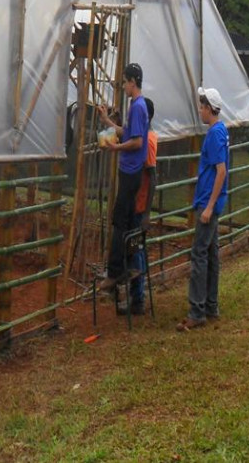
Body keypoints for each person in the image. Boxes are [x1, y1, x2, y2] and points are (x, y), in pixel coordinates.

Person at [177, 88, 229, 332]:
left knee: (199, 254)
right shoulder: (219, 131)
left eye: (201, 106)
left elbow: (221, 172)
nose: (199, 110)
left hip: (209, 202)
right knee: (210, 253)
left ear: (210, 108)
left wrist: (208, 207)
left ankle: (197, 311)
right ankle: (211, 305)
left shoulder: (216, 134)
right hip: (211, 201)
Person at [97, 63, 149, 293]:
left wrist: (115, 149)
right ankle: (128, 266)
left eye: (125, 81)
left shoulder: (137, 107)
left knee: (119, 221)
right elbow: (127, 133)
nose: (123, 86)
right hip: (132, 172)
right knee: (127, 221)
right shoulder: (136, 106)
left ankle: (114, 272)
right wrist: (108, 122)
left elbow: (137, 142)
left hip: (130, 172)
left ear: (133, 82)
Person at [121, 97, 157, 316]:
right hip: (136, 203)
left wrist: (146, 214)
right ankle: (136, 298)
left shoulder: (149, 141)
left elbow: (152, 178)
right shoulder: (145, 136)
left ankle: (138, 300)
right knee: (134, 250)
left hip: (140, 205)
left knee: (136, 251)